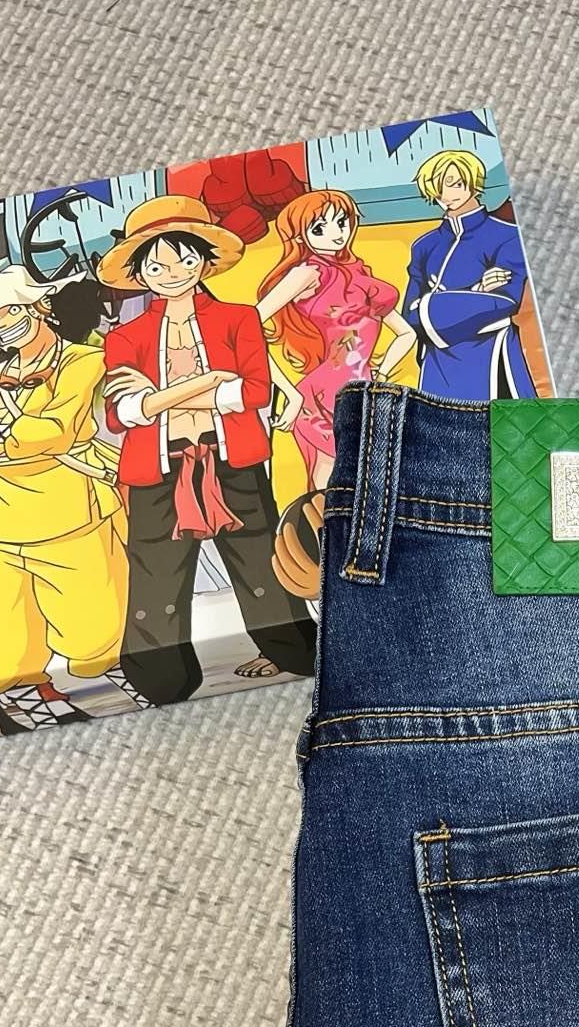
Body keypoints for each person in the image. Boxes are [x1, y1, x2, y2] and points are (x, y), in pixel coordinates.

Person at [98, 195, 316, 704]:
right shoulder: (126, 336)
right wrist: (208, 382)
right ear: (139, 273)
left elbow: (254, 391)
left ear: (203, 261)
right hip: (157, 469)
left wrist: (160, 397)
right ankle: (159, 679)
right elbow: (120, 414)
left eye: (183, 259)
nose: (172, 273)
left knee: (260, 563)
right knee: (155, 574)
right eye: (156, 266)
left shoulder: (237, 319)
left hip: (232, 459)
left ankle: (293, 654)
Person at [0, 266, 140, 728]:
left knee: (92, 624)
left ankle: (127, 684)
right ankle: (29, 695)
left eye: (13, 310)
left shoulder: (82, 361)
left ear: (40, 307)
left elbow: (51, 433)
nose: (6, 324)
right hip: (1, 516)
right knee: (4, 627)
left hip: (67, 508)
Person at [256, 188, 416, 490]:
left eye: (342, 222)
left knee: (366, 484)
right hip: (320, 399)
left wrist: (381, 374)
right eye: (320, 228)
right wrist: (290, 394)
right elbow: (247, 329)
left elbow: (407, 334)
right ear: (300, 236)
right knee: (328, 491)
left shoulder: (361, 277)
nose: (336, 233)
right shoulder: (307, 273)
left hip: (363, 392)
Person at [403, 150, 537, 399]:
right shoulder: (424, 246)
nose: (446, 195)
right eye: (439, 188)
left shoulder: (506, 236)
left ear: (472, 183)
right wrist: (475, 292)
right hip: (436, 362)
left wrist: (430, 304)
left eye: (454, 184)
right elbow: (410, 314)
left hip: (487, 353)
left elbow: (505, 301)